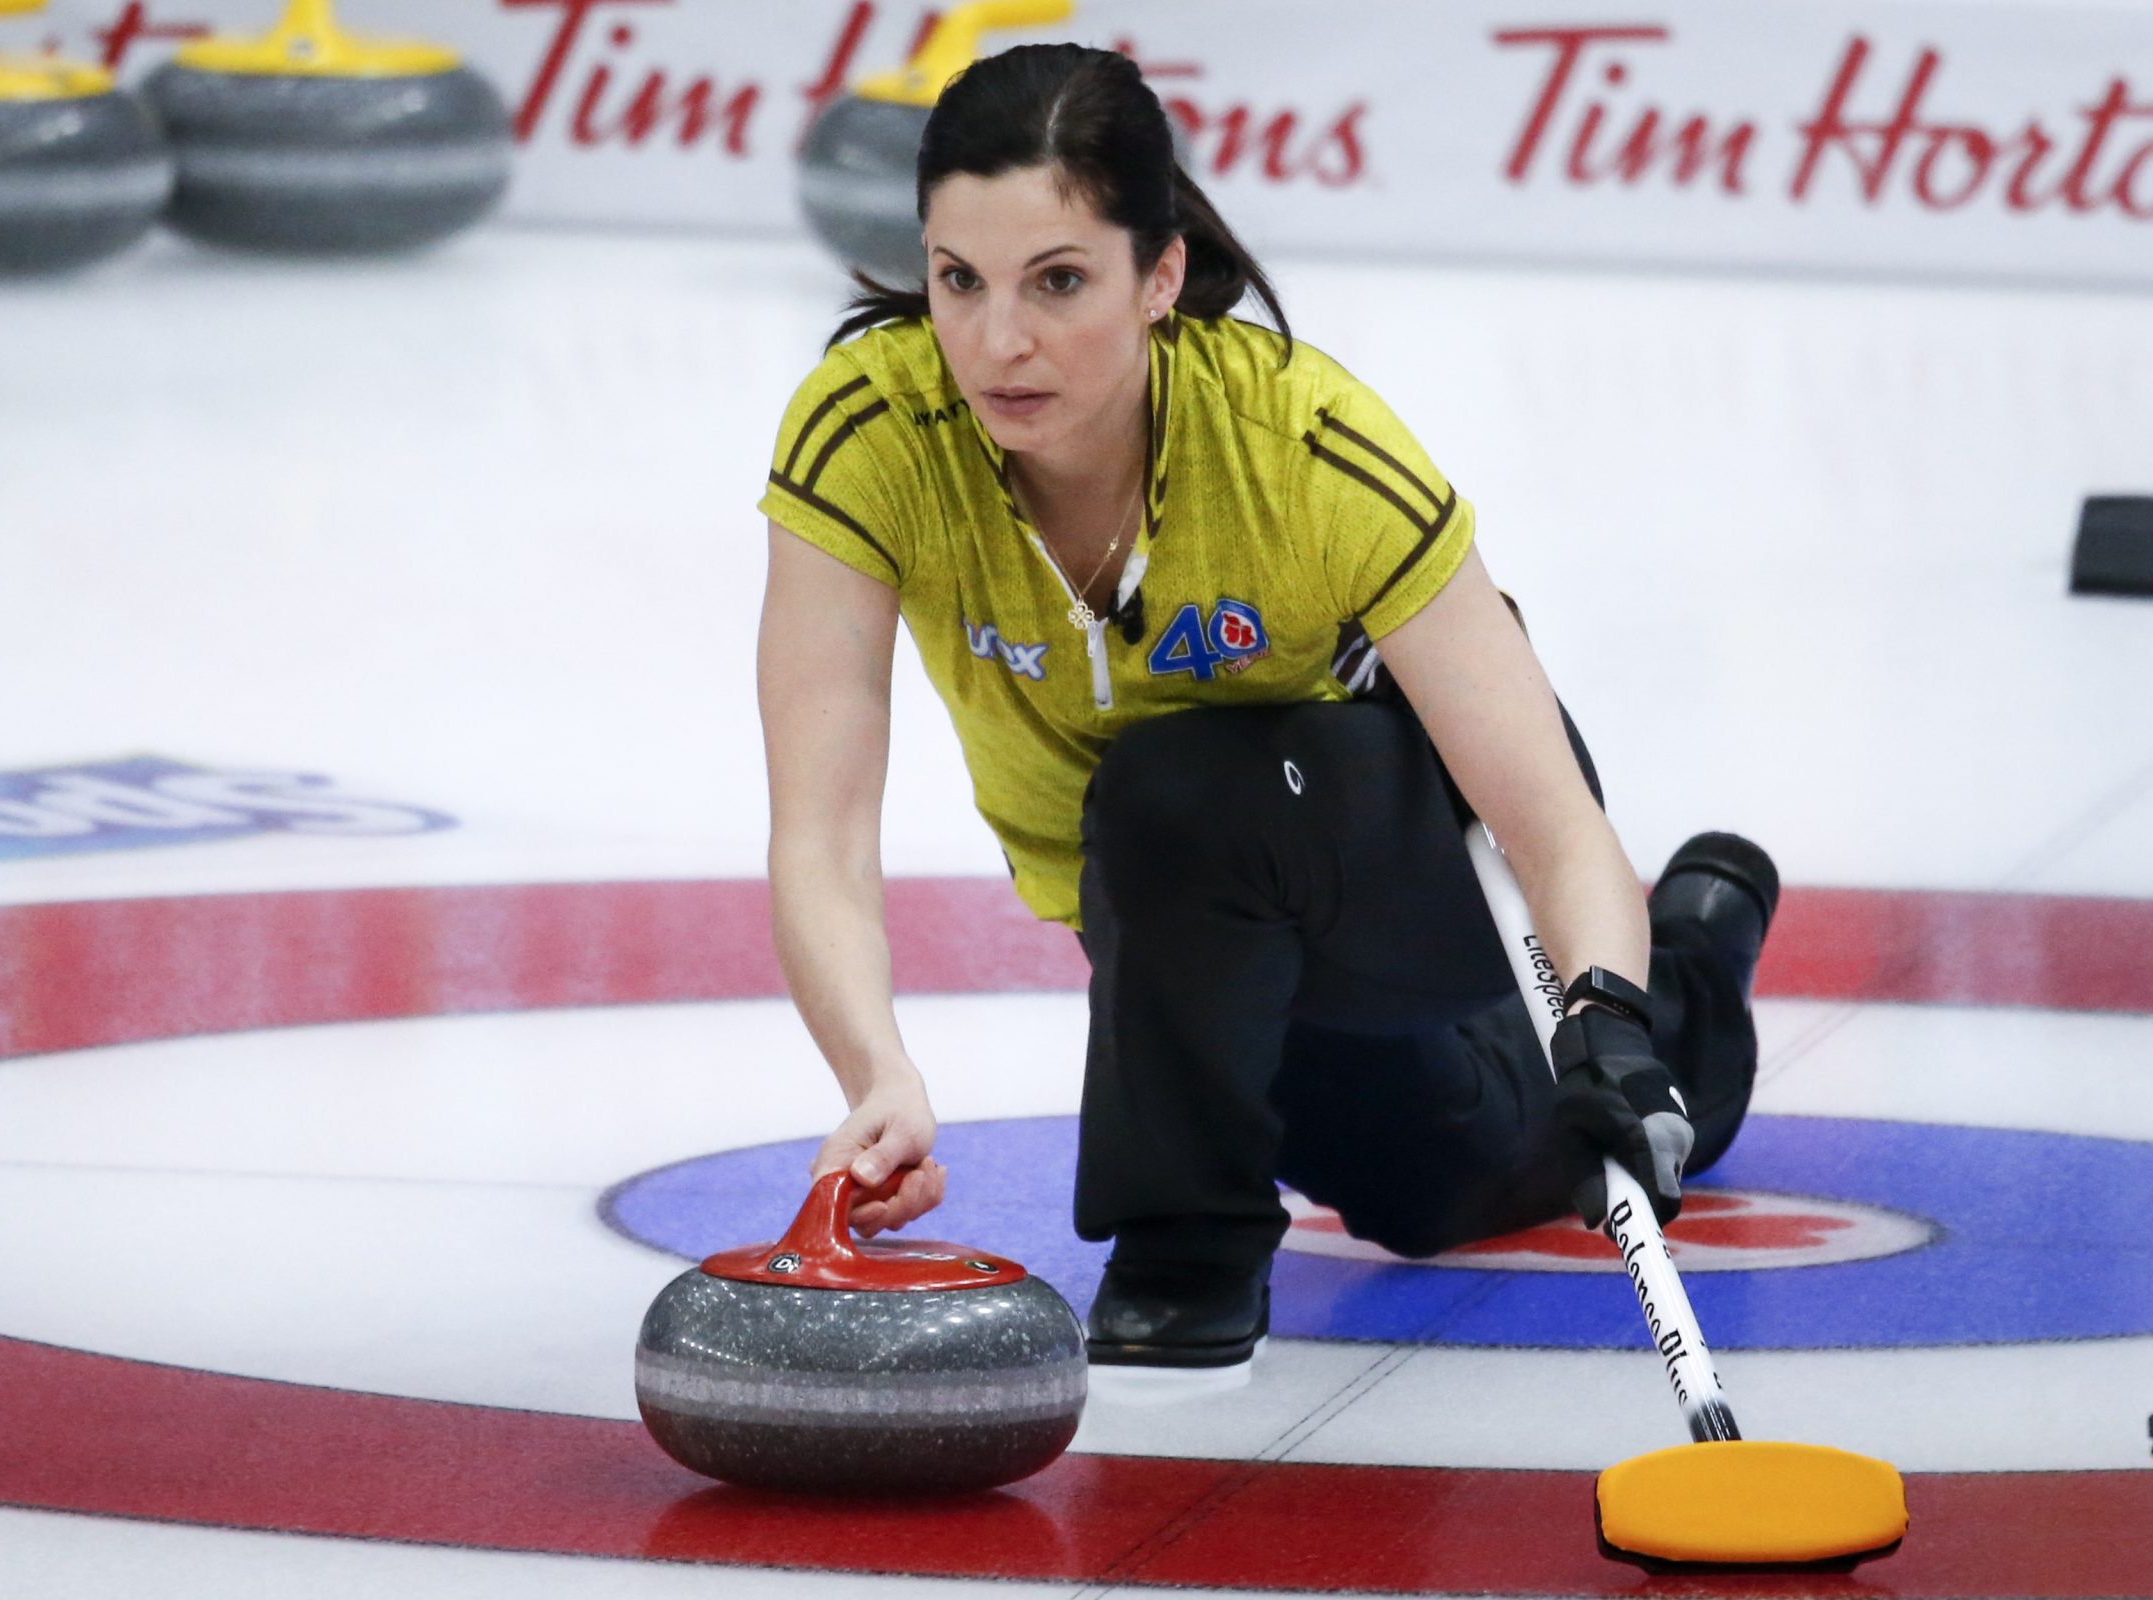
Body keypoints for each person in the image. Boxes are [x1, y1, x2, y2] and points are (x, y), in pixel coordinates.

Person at [755, 44, 1777, 1369]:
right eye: (961, 281)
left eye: (1059, 282)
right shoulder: (873, 438)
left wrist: (1609, 1021)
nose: (998, 342)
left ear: (1160, 273)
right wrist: (875, 1073)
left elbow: (1549, 818)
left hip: (1411, 835)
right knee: (1433, 1193)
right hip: (1194, 933)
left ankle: (1187, 1246)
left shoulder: (1303, 449)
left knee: (1171, 791)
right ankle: (1693, 947)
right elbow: (820, 834)